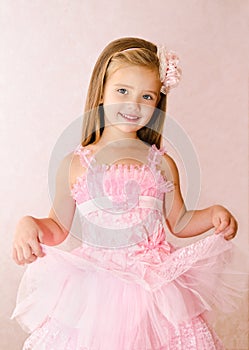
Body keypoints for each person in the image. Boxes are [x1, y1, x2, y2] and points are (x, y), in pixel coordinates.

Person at [11, 37, 247, 350]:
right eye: (122, 91)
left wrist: (212, 215)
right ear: (102, 90)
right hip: (97, 288)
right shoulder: (76, 164)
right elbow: (57, 227)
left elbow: (179, 221)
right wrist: (29, 223)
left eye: (146, 96)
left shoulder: (161, 163)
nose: (133, 105)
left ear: (157, 103)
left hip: (157, 286)